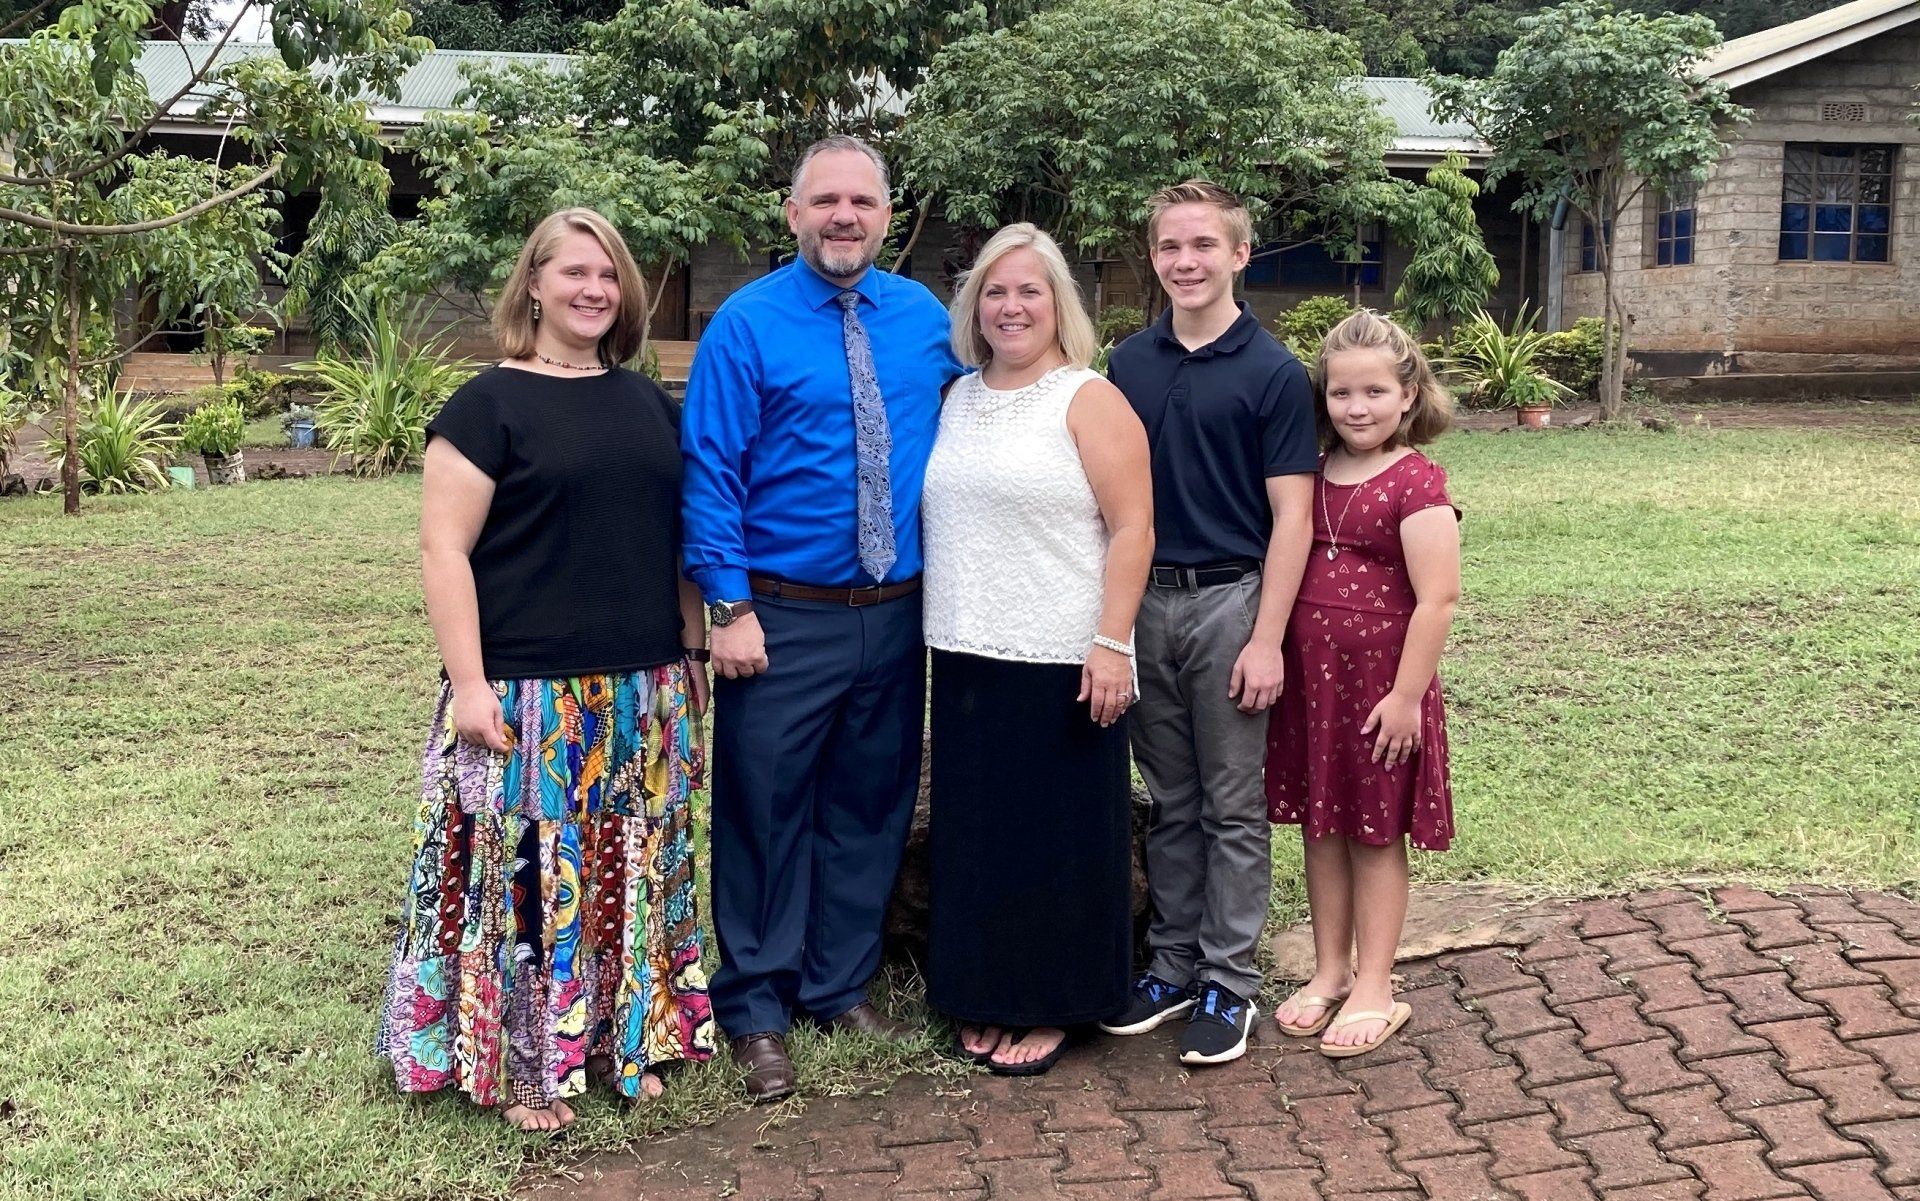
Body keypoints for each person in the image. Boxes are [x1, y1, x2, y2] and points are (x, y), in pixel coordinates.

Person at [377, 208, 717, 1132]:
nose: (593, 290)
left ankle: (622, 1035)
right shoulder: (486, 404)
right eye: (573, 273)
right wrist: (473, 685)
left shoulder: (649, 400)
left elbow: (678, 540)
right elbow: (444, 551)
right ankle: (525, 1059)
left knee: (632, 866)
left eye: (608, 275)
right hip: (528, 690)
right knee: (526, 876)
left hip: (640, 685)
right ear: (533, 284)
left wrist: (689, 646)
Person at [680, 135, 965, 1101]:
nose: (845, 217)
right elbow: (710, 472)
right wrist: (729, 605)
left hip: (895, 612)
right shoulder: (747, 325)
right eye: (825, 201)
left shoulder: (927, 319)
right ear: (793, 213)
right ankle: (755, 1002)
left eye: (864, 203)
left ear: (889, 215)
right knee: (765, 804)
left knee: (870, 801)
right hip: (782, 615)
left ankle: (836, 980)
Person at [922, 223, 1153, 1076]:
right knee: (981, 836)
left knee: (1058, 837)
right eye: (995, 290)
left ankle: (1058, 998)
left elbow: (1134, 527)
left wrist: (1110, 643)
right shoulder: (960, 396)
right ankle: (984, 988)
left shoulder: (1087, 397)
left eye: (1029, 290)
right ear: (973, 305)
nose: (1011, 306)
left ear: (1060, 302)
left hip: (1064, 655)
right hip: (965, 649)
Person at [1102, 181, 1318, 1066]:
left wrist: (1267, 637)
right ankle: (1173, 963)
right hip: (1144, 598)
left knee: (1233, 803)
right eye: (1168, 248)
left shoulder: (1272, 372)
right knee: (1173, 798)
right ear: (1153, 258)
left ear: (1239, 253)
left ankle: (1230, 980)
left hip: (1233, 599)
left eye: (1202, 245)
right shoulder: (1128, 363)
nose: (1184, 262)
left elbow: (1294, 519)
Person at [1266, 309, 1460, 1060]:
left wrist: (1407, 696)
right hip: (1315, 687)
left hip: (1382, 689)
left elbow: (1438, 597)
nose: (1358, 407)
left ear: (1408, 394)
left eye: (1375, 391)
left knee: (1375, 833)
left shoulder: (1416, 481)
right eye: (1342, 393)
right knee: (1323, 828)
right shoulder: (1312, 476)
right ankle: (1329, 969)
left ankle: (1378, 981)